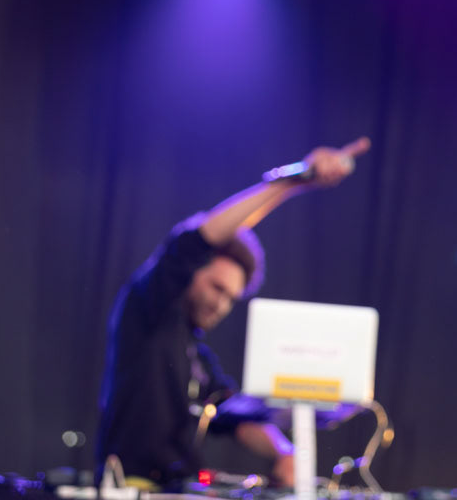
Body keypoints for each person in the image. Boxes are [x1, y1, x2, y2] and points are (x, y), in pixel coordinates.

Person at [96, 137, 371, 491]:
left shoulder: (195, 355)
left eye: (231, 298)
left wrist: (285, 454)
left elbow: (232, 415)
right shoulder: (149, 307)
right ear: (190, 271)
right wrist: (297, 179)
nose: (221, 305)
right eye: (217, 288)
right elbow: (200, 238)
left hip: (180, 487)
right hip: (134, 487)